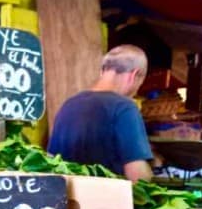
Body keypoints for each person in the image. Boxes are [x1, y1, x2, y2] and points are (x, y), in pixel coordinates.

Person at [47, 45, 153, 182]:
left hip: (70, 201)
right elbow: (137, 176)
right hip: (107, 201)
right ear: (133, 75)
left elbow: (50, 161)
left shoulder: (69, 105)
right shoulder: (124, 108)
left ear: (103, 71)